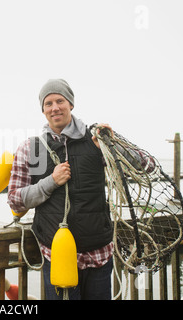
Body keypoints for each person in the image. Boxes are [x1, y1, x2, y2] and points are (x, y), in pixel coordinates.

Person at [7, 79, 114, 300]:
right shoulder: (31, 148)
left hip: (99, 255)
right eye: (48, 103)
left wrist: (113, 143)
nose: (54, 107)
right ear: (43, 110)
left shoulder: (96, 139)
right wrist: (51, 181)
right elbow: (15, 201)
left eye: (60, 100)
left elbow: (143, 166)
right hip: (57, 258)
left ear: (71, 104)